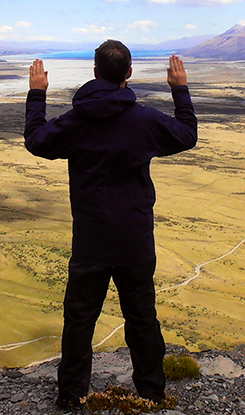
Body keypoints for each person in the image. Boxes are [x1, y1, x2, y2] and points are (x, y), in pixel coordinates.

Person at [23, 40, 197, 410]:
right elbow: (187, 135)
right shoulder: (145, 120)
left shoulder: (76, 121)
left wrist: (37, 95)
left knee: (80, 320)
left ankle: (71, 397)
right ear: (128, 74)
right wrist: (179, 89)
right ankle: (150, 394)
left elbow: (36, 140)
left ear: (95, 72)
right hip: (135, 240)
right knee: (141, 319)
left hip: (91, 242)